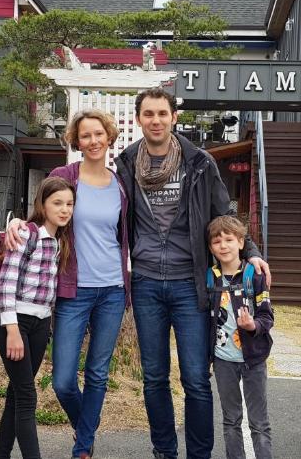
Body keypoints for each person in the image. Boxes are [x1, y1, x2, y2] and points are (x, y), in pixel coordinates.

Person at [114, 88, 270, 459]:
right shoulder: (125, 164)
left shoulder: (198, 162)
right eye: (148, 114)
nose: (155, 120)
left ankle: (199, 454)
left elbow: (222, 214)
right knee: (153, 378)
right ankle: (164, 451)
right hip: (147, 282)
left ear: (173, 118)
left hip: (191, 284)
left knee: (196, 379)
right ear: (139, 119)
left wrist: (250, 251)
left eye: (162, 114)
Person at [4, 109, 130, 459]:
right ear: (76, 140)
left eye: (98, 134)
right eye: (85, 135)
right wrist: (14, 223)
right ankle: (86, 428)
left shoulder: (121, 185)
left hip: (113, 290)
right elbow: (38, 215)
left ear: (109, 137)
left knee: (98, 374)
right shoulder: (64, 176)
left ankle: (82, 448)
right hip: (73, 290)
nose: (93, 141)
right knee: (62, 380)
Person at [0, 177, 75, 459]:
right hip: (15, 323)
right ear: (42, 204)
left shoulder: (58, 240)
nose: (64, 209)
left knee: (17, 394)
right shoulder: (26, 234)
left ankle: (0, 454)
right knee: (28, 397)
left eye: (69, 204)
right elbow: (6, 284)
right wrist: (12, 330)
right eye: (57, 203)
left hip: (41, 324)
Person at [206, 216, 274, 459]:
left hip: (253, 359)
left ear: (241, 243)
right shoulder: (209, 278)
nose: (223, 246)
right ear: (211, 247)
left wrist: (252, 324)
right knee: (230, 420)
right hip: (223, 361)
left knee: (259, 422)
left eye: (229, 240)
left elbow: (267, 316)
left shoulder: (253, 275)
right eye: (216, 241)